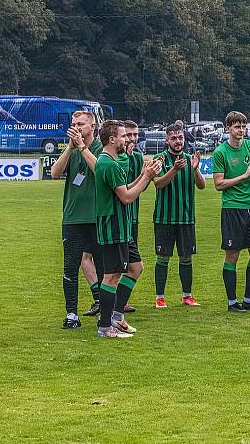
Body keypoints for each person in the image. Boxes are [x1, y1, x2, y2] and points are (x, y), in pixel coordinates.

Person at [93, 120, 160, 338]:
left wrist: (143, 175)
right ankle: (105, 327)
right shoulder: (109, 164)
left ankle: (116, 316)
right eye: (123, 136)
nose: (127, 140)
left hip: (122, 227)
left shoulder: (111, 162)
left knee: (136, 268)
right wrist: (148, 178)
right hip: (113, 226)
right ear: (112, 139)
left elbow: (126, 188)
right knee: (111, 276)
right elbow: (127, 197)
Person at [50, 110, 102, 329]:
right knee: (70, 266)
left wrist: (82, 146)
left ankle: (104, 309)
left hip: (97, 216)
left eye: (81, 123)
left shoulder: (101, 148)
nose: (76, 127)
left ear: (92, 127)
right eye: (74, 123)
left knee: (103, 265)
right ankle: (71, 314)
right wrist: (71, 147)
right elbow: (54, 173)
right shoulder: (70, 150)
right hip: (72, 218)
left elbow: (100, 171)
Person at [213, 111, 250, 313]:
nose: (241, 130)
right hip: (232, 209)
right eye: (237, 126)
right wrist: (244, 175)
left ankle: (249, 299)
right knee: (233, 257)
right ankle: (231, 302)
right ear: (228, 128)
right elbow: (219, 184)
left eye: (244, 126)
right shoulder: (220, 152)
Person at [152, 122, 205, 308]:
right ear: (167, 140)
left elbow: (201, 185)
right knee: (163, 257)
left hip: (186, 218)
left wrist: (195, 169)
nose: (178, 141)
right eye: (173, 138)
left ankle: (187, 296)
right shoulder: (160, 159)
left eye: (180, 137)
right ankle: (160, 297)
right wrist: (174, 169)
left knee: (186, 257)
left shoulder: (191, 159)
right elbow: (158, 183)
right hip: (164, 218)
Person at [117, 120, 144, 314]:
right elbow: (123, 188)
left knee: (130, 264)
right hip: (118, 218)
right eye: (129, 135)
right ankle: (111, 305)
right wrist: (146, 177)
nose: (133, 138)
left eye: (136, 135)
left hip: (132, 217)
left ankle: (119, 303)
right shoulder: (117, 158)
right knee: (118, 265)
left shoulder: (138, 156)